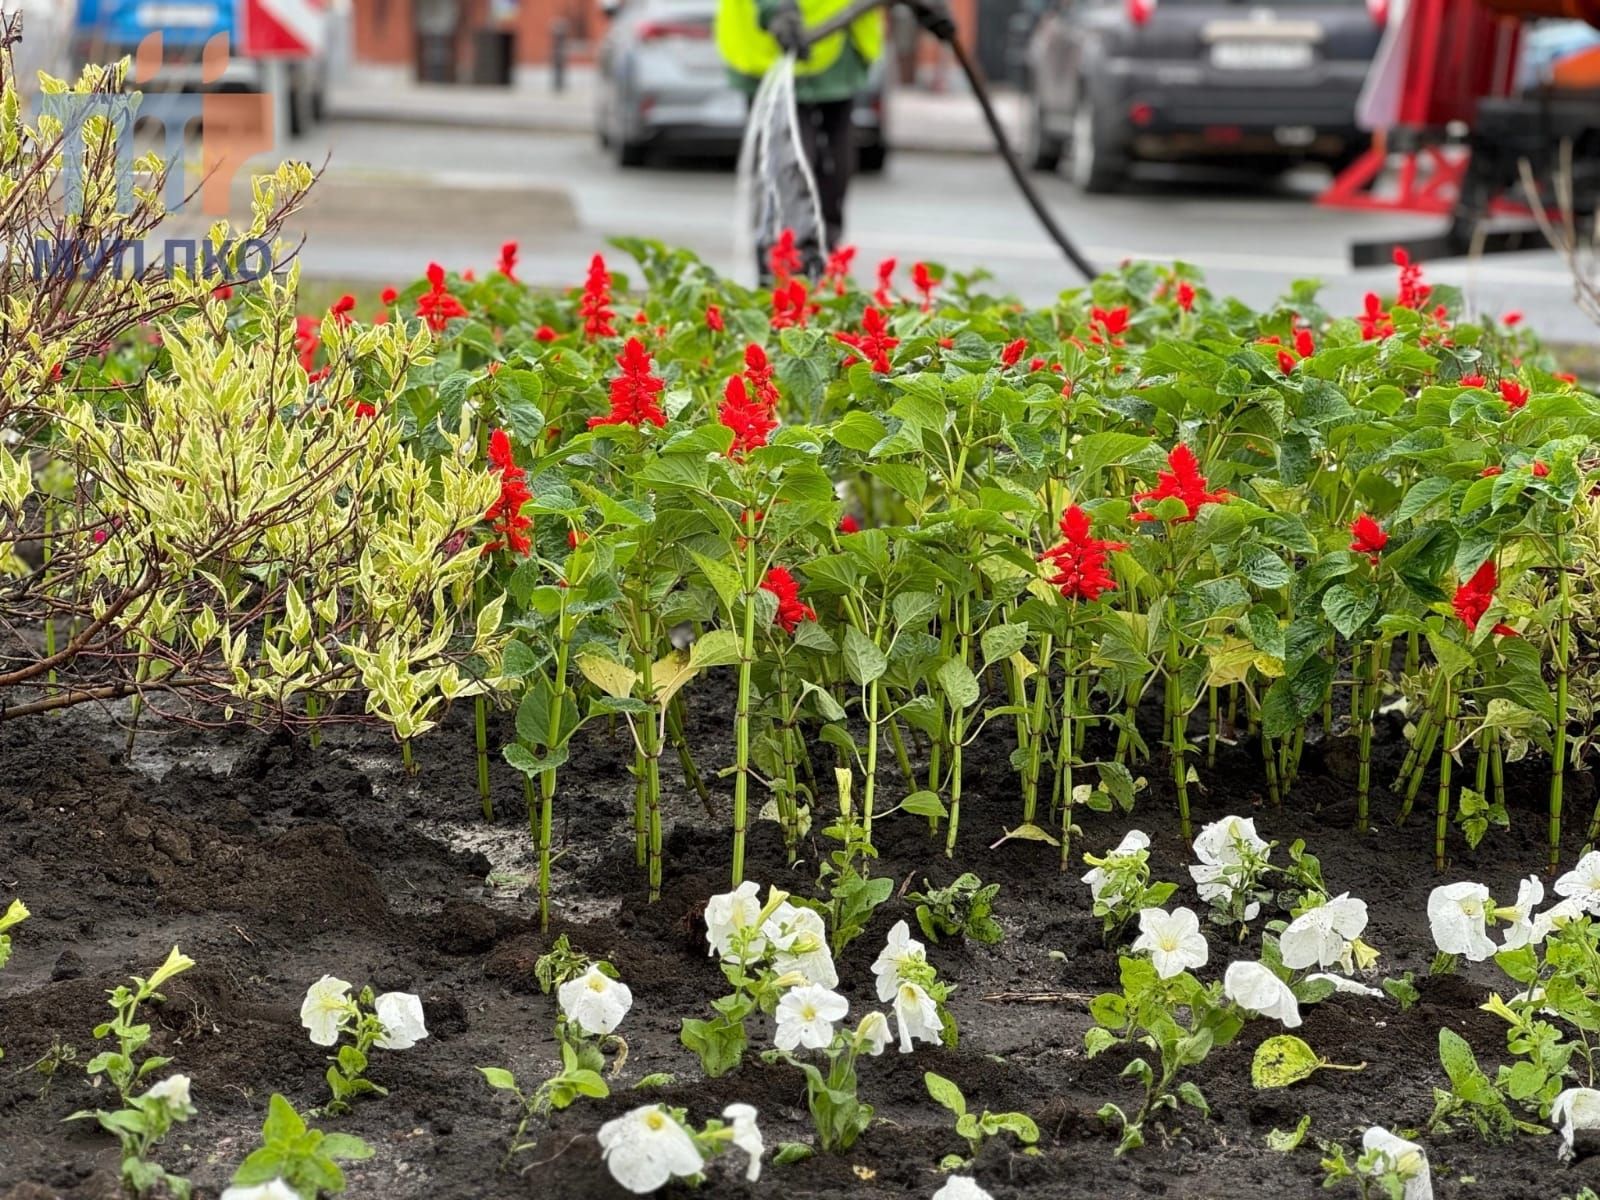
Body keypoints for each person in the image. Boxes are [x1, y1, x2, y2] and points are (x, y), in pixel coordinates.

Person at [717, 0, 955, 279]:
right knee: (787, 168)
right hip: (775, 43)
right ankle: (784, 272)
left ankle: (819, 266)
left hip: (841, 45)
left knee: (832, 172)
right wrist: (777, 9)